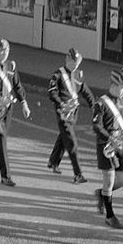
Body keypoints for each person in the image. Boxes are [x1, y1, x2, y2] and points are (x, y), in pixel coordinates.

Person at [0, 38, 30, 186]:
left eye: (6, 50)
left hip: (8, 106)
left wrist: (24, 103)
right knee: (0, 136)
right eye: (0, 50)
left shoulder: (11, 65)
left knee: (1, 136)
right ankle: (5, 176)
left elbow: (17, 85)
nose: (3, 53)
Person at [92, 69, 123, 230]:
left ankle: (102, 194)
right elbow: (96, 125)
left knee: (121, 180)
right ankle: (110, 216)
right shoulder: (101, 103)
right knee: (109, 180)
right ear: (114, 85)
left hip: (121, 145)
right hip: (107, 146)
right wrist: (109, 138)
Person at [46, 47, 94, 183]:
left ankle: (53, 161)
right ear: (67, 59)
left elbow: (86, 92)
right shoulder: (58, 75)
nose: (76, 65)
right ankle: (78, 174)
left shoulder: (78, 75)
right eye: (74, 62)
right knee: (71, 141)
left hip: (74, 111)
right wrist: (61, 103)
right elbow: (52, 92)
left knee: (64, 137)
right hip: (63, 111)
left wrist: (94, 106)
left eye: (78, 62)